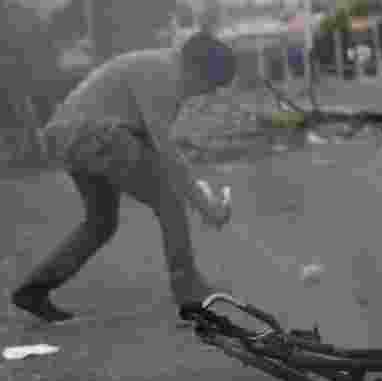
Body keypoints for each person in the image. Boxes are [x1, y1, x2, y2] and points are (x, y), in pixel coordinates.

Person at [11, 31, 237, 323]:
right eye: (210, 86)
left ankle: (34, 289)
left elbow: (147, 140)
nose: (207, 93)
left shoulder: (158, 66)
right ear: (197, 71)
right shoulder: (166, 76)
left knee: (101, 222)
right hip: (95, 135)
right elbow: (165, 153)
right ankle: (189, 293)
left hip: (67, 137)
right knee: (170, 201)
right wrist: (207, 207)